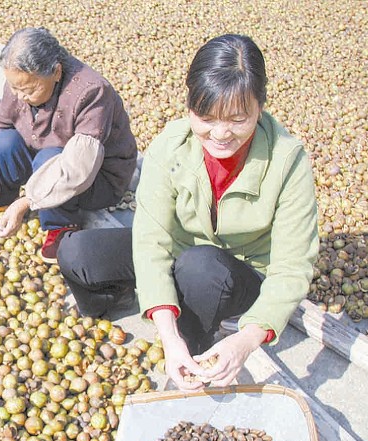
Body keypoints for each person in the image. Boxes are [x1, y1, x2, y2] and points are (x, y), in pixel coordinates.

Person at [57, 34, 319, 390]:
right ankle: (140, 300)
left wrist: (247, 340)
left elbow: (292, 268)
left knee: (201, 268)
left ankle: (194, 356)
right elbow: (151, 241)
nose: (221, 133)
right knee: (76, 251)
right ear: (190, 105)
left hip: (237, 272)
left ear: (261, 107)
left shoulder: (288, 160)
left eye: (238, 119)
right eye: (206, 117)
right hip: (184, 253)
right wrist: (166, 330)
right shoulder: (171, 144)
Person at [0, 27, 137, 263]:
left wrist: (28, 201)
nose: (19, 96)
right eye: (14, 88)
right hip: (45, 153)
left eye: (29, 90)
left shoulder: (92, 92)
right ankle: (1, 196)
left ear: (56, 72)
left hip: (96, 178)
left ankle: (61, 224)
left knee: (49, 158)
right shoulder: (19, 81)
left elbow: (79, 167)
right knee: (3, 141)